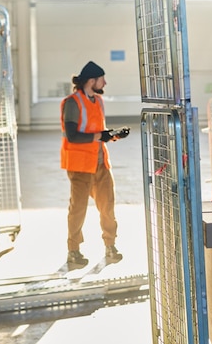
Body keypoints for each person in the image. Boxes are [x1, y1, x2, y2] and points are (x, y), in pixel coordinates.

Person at [60, 61, 130, 268]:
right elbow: (73, 136)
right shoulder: (72, 103)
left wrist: (114, 135)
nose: (105, 83)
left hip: (100, 163)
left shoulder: (98, 101)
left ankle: (110, 246)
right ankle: (74, 251)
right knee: (78, 209)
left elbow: (99, 131)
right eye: (102, 79)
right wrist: (102, 135)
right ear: (92, 81)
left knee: (107, 206)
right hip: (80, 166)